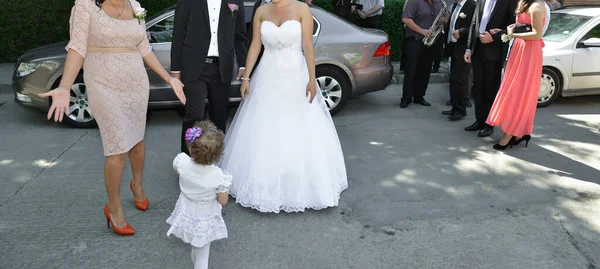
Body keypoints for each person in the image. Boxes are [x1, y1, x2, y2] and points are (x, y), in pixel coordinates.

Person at [39, 0, 185, 236]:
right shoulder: (85, 6)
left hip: (136, 83)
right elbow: (77, 47)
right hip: (103, 84)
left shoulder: (135, 5)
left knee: (137, 141)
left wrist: (169, 79)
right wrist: (65, 86)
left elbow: (144, 48)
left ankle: (136, 184)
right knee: (117, 147)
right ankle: (114, 207)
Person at [219, 0, 348, 213]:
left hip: (295, 76)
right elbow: (255, 45)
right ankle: (266, 180)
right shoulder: (261, 11)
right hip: (267, 76)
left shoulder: (302, 9)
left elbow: (307, 45)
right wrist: (246, 78)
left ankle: (298, 180)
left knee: (298, 125)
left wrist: (311, 78)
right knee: (265, 127)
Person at [171, 0, 249, 154]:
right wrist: (175, 71)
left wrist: (242, 65)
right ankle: (186, 158)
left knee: (219, 115)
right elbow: (178, 35)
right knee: (194, 116)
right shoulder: (187, 2)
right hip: (194, 67)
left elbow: (240, 36)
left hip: (222, 67)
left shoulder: (235, 2)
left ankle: (215, 157)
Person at [167, 121, 231, 269]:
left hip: (187, 210)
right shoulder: (218, 175)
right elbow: (223, 201)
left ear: (190, 147)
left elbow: (177, 170)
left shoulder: (182, 162)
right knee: (203, 255)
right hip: (205, 216)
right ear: (218, 154)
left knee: (196, 246)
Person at [485, 0, 546, 150]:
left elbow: (537, 34)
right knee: (514, 89)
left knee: (520, 92)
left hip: (530, 52)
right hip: (520, 49)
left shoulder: (536, 6)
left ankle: (510, 134)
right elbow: (525, 27)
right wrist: (508, 30)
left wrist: (514, 33)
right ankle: (520, 133)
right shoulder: (525, 4)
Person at [463, 0, 517, 137]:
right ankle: (479, 120)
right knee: (478, 88)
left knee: (491, 89)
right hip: (478, 50)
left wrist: (495, 37)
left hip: (494, 52)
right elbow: (473, 24)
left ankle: (489, 124)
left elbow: (514, 27)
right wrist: (469, 48)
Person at [400, 0, 447, 108]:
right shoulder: (414, 1)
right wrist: (422, 31)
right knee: (411, 70)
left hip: (431, 41)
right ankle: (406, 98)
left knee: (425, 70)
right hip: (415, 40)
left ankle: (419, 96)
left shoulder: (439, 3)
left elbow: (445, 17)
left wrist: (443, 20)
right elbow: (406, 19)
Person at [442, 0, 476, 121]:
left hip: (463, 48)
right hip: (454, 46)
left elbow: (475, 27)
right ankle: (455, 107)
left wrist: (462, 32)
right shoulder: (456, 5)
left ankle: (460, 110)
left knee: (460, 80)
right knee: (453, 79)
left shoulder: (472, 5)